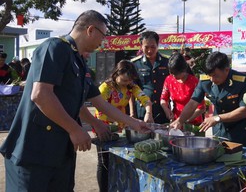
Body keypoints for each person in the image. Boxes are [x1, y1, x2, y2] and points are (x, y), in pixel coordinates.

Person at [0, 10, 149, 192]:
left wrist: (134, 123)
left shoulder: (79, 62)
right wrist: (75, 129)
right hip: (33, 152)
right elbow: (41, 95)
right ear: (90, 30)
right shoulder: (54, 47)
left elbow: (97, 103)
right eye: (102, 37)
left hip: (60, 154)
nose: (102, 43)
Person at [170, 52, 246, 147]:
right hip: (219, 132)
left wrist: (217, 118)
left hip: (239, 133)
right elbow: (193, 102)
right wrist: (180, 120)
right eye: (209, 75)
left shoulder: (241, 81)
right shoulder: (205, 81)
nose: (212, 79)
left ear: (226, 70)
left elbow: (244, 111)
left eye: (215, 75)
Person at [94, 59, 153, 192]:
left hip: (121, 126)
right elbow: (100, 109)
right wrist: (120, 122)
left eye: (129, 80)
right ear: (116, 75)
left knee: (119, 160)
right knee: (104, 161)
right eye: (124, 80)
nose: (127, 83)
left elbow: (145, 99)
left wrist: (148, 112)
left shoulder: (131, 86)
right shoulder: (105, 87)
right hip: (103, 126)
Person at [132, 31, 170, 124]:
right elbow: (131, 90)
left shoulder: (167, 62)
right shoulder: (135, 64)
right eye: (146, 47)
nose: (149, 50)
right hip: (142, 110)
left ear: (158, 45)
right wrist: (132, 113)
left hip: (163, 110)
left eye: (153, 47)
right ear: (141, 46)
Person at [160, 53, 205, 125]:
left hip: (193, 121)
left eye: (176, 73)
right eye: (172, 73)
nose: (174, 76)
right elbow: (163, 99)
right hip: (176, 121)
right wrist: (167, 110)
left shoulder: (194, 82)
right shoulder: (169, 79)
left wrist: (185, 121)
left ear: (184, 70)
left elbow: (201, 108)